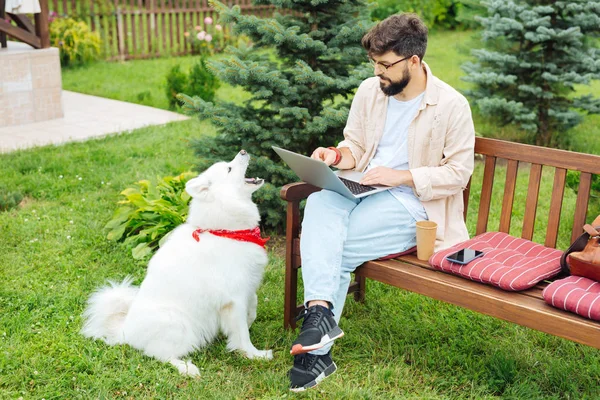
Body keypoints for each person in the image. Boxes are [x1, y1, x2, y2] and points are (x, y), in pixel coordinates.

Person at [287, 13, 476, 392]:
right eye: (374, 63)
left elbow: (459, 173)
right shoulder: (370, 91)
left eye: (386, 65)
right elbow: (356, 145)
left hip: (412, 203)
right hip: (362, 185)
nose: (378, 73)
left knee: (334, 247)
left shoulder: (452, 106)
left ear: (414, 62)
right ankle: (321, 318)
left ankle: (316, 353)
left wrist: (402, 176)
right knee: (322, 204)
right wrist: (336, 157)